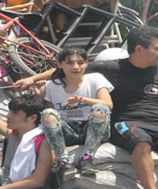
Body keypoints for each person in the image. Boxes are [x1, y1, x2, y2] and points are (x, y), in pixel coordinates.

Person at [15, 26, 158, 189]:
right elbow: (68, 71)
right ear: (139, 49)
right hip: (125, 123)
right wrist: (32, 79)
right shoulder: (112, 68)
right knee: (142, 142)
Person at [37, 47, 113, 181]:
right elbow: (51, 117)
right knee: (48, 113)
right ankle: (63, 162)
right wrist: (38, 94)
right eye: (70, 63)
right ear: (59, 64)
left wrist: (83, 100)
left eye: (80, 62)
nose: (76, 67)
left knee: (100, 108)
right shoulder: (51, 86)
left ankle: (87, 158)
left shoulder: (95, 78)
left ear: (87, 63)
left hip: (92, 129)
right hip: (68, 132)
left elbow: (108, 104)